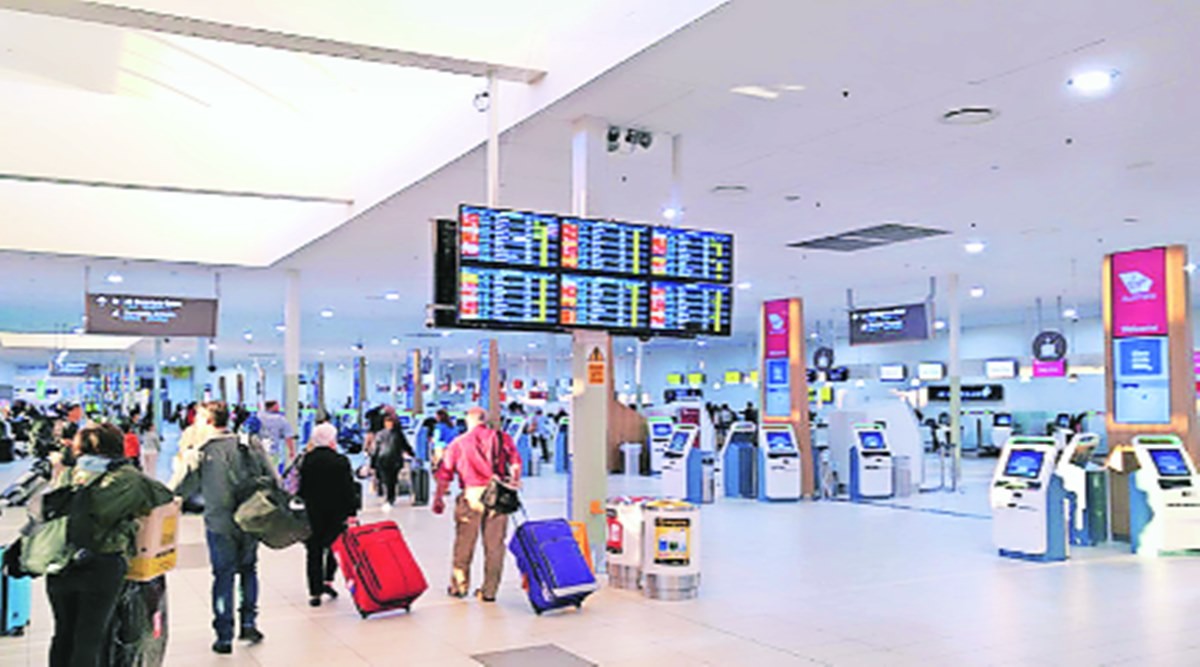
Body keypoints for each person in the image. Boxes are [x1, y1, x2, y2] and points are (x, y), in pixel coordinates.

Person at [46, 423, 173, 667]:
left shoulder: (69, 473)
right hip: (101, 564)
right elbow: (163, 495)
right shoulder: (127, 477)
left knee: (63, 633)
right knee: (90, 637)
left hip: (60, 561)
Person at [171, 401, 274, 655]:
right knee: (249, 570)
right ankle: (249, 624)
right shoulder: (250, 444)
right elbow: (274, 479)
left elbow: (178, 488)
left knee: (223, 575)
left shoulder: (202, 451)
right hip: (251, 520)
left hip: (220, 523)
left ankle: (224, 636)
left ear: (207, 420)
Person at [432, 406, 521, 602]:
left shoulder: (458, 443)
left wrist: (438, 498)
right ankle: (489, 591)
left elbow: (445, 474)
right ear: (485, 419)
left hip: (471, 494)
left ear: (468, 420)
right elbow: (516, 462)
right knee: (495, 545)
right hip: (498, 493)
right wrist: (514, 480)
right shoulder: (501, 438)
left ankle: (459, 586)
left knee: (464, 542)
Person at [297, 423, 358, 607]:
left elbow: (302, 488)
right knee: (335, 547)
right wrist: (352, 512)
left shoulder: (307, 460)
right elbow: (348, 489)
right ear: (332, 439)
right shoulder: (340, 461)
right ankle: (328, 580)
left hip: (313, 511)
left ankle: (314, 592)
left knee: (313, 551)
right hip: (336, 512)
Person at [373, 413, 414, 510]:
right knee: (388, 479)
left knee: (391, 479)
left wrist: (411, 453)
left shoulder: (393, 434)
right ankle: (389, 496)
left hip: (390, 459)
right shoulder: (385, 434)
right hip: (386, 459)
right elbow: (376, 448)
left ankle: (390, 496)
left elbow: (404, 445)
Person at [258, 400, 296, 470]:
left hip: (258, 452)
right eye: (277, 405)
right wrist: (292, 451)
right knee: (273, 471)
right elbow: (288, 437)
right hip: (273, 452)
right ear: (273, 406)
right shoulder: (280, 419)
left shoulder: (258, 417)